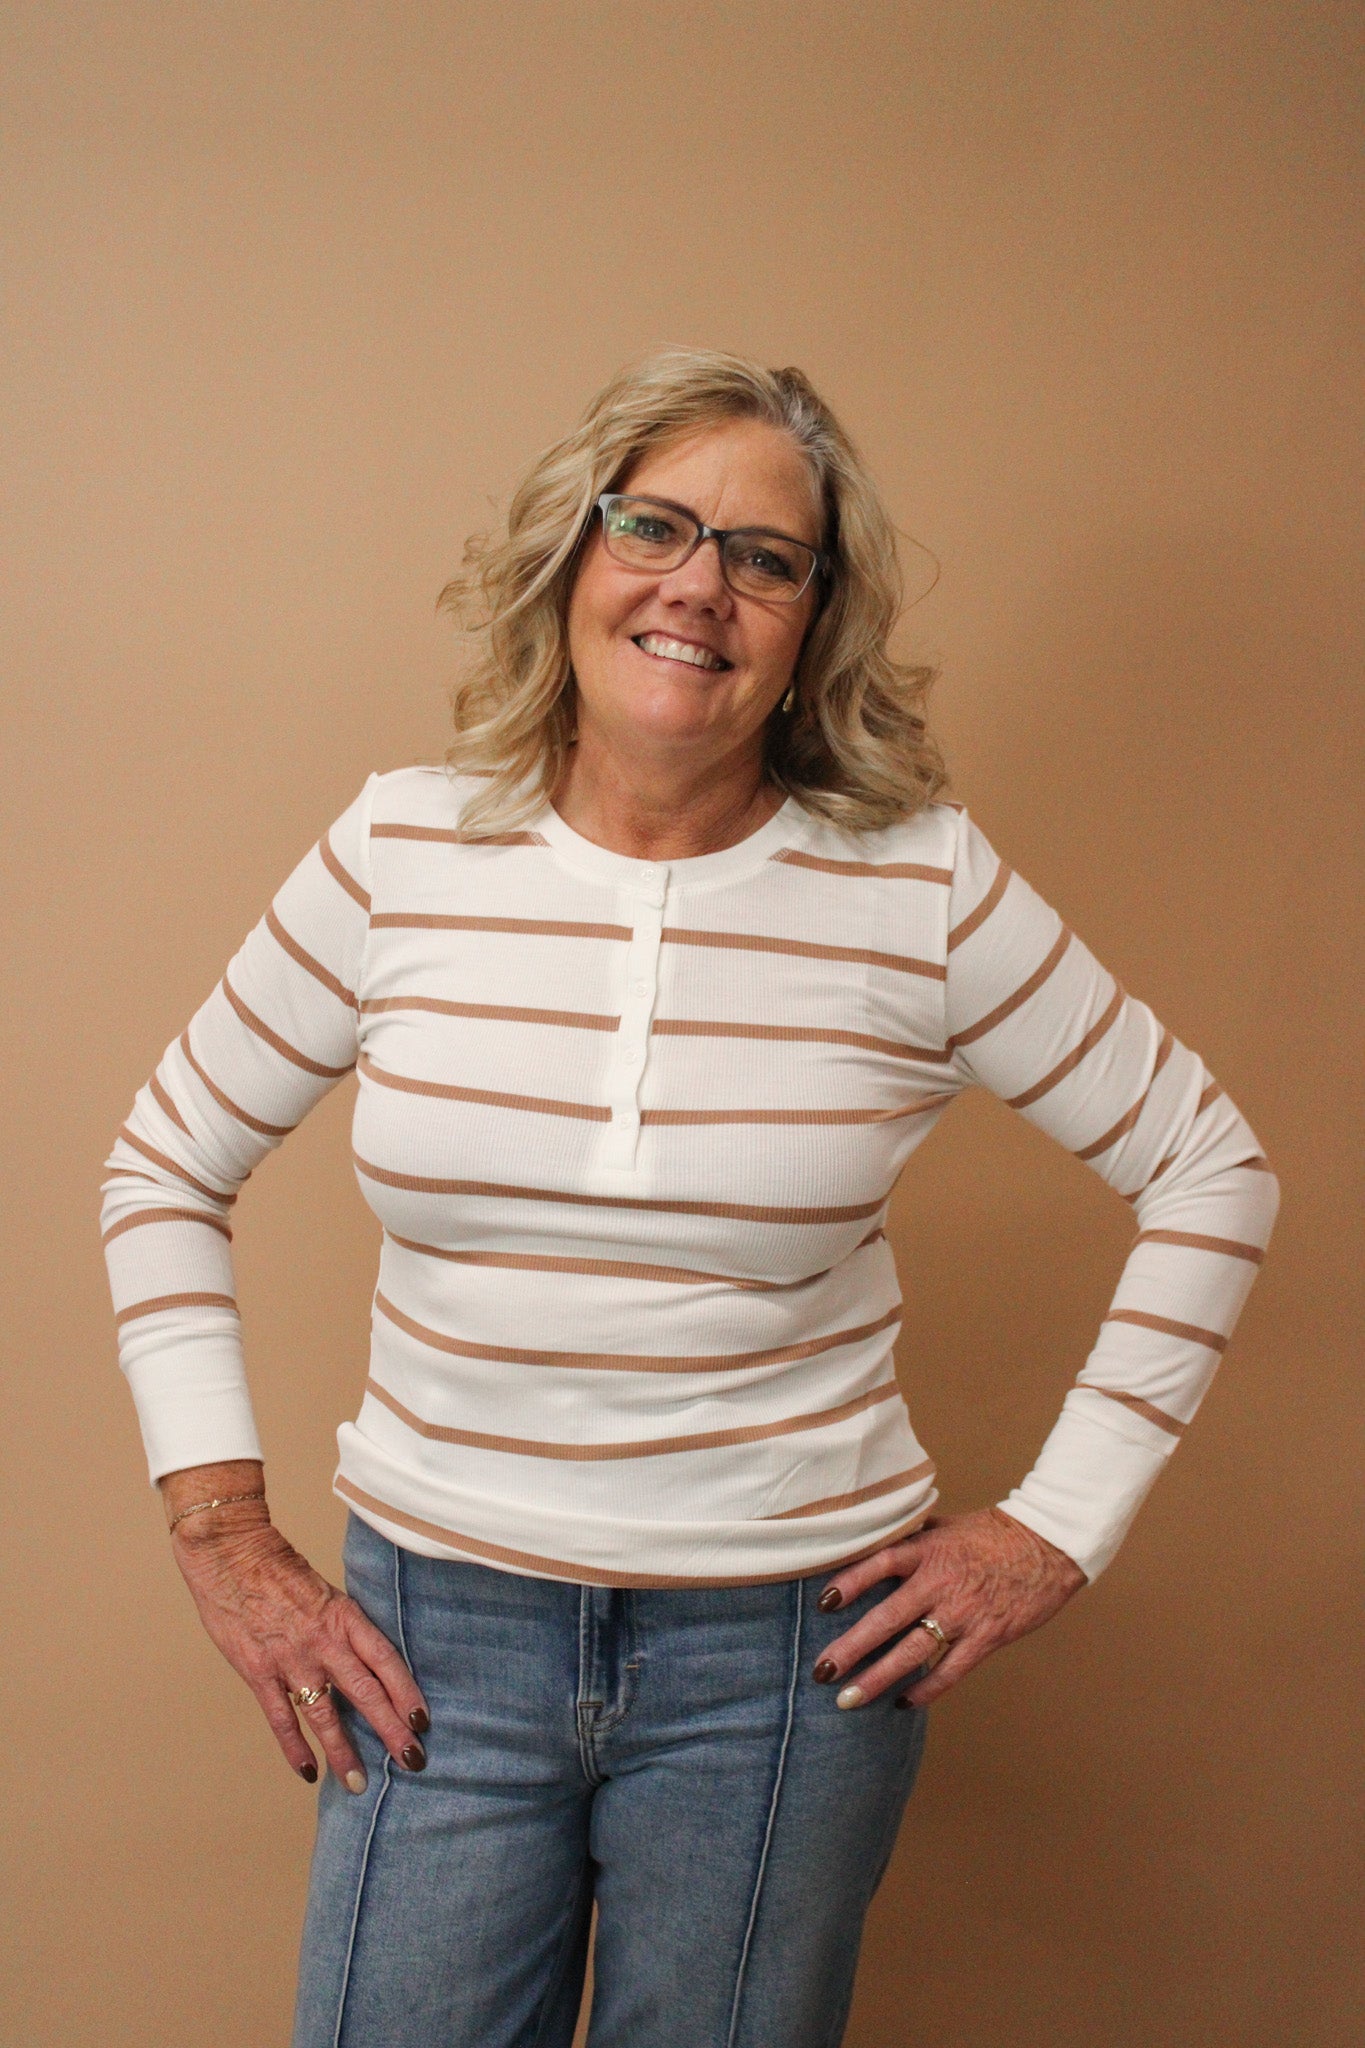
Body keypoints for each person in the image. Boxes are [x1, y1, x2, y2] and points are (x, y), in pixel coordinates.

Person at [101, 347, 1279, 2048]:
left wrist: (1055, 1527)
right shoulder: (401, 849)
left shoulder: (920, 886)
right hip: (436, 1644)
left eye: (765, 557)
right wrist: (222, 1535)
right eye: (652, 525)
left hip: (782, 1676)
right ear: (569, 557)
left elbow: (1207, 1167)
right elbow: (163, 1163)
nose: (698, 586)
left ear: (813, 624)